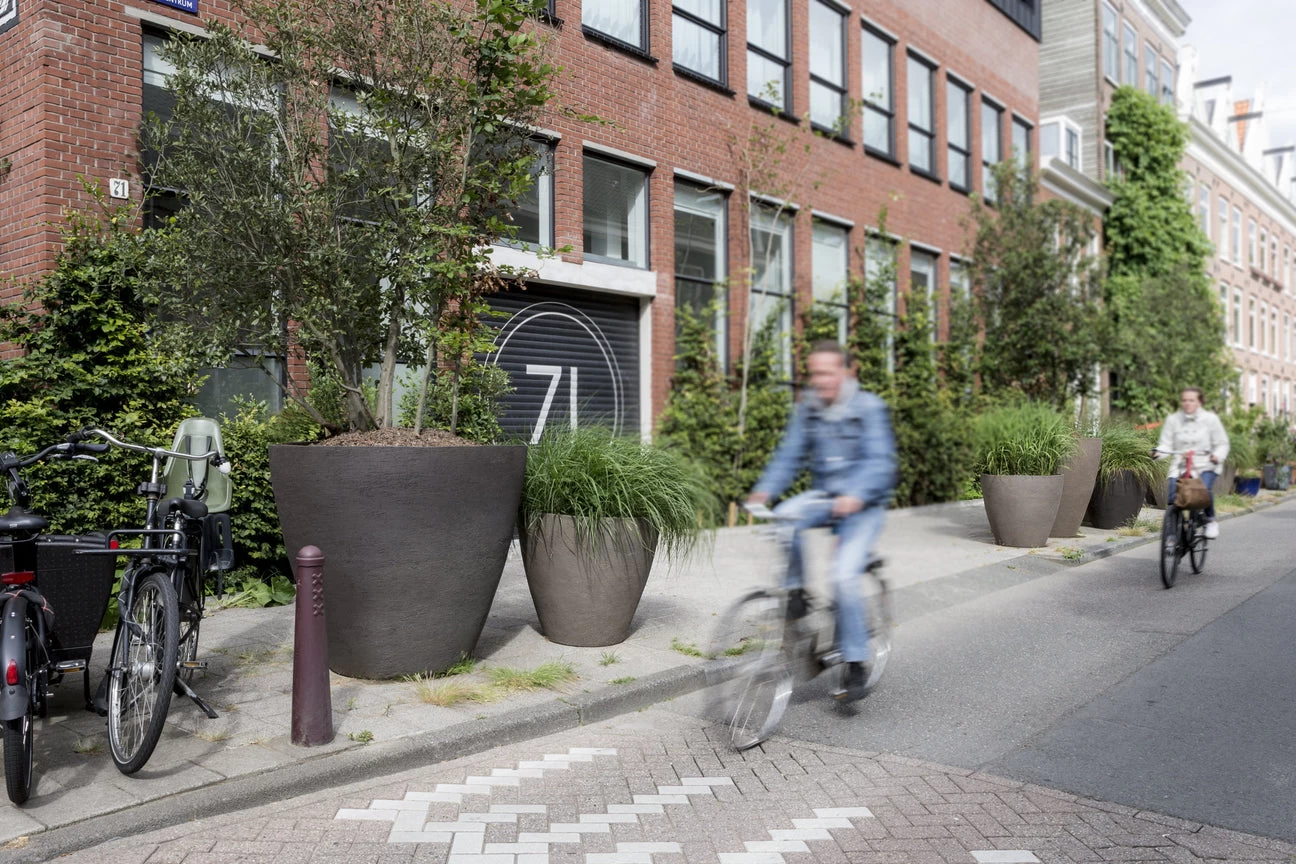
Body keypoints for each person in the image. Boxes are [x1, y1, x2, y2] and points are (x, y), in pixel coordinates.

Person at [746, 340, 897, 702]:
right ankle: (797, 591)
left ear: (846, 372)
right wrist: (764, 491)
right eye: (814, 373)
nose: (819, 380)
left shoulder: (869, 408)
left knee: (843, 576)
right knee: (785, 516)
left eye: (827, 373)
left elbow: (881, 463)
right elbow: (789, 455)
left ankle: (856, 661)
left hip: (864, 505)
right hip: (826, 498)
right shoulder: (810, 407)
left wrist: (857, 494)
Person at [1153, 387, 1229, 539]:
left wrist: (1217, 455)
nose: (1187, 403)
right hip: (1181, 465)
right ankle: (1171, 537)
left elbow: (1222, 443)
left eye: (1191, 400)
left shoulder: (1211, 420)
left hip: (1206, 464)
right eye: (1184, 400)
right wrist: (1158, 452)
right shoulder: (1173, 420)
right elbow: (1166, 444)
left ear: (1200, 402)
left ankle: (1210, 520)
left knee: (1203, 490)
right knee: (1173, 498)